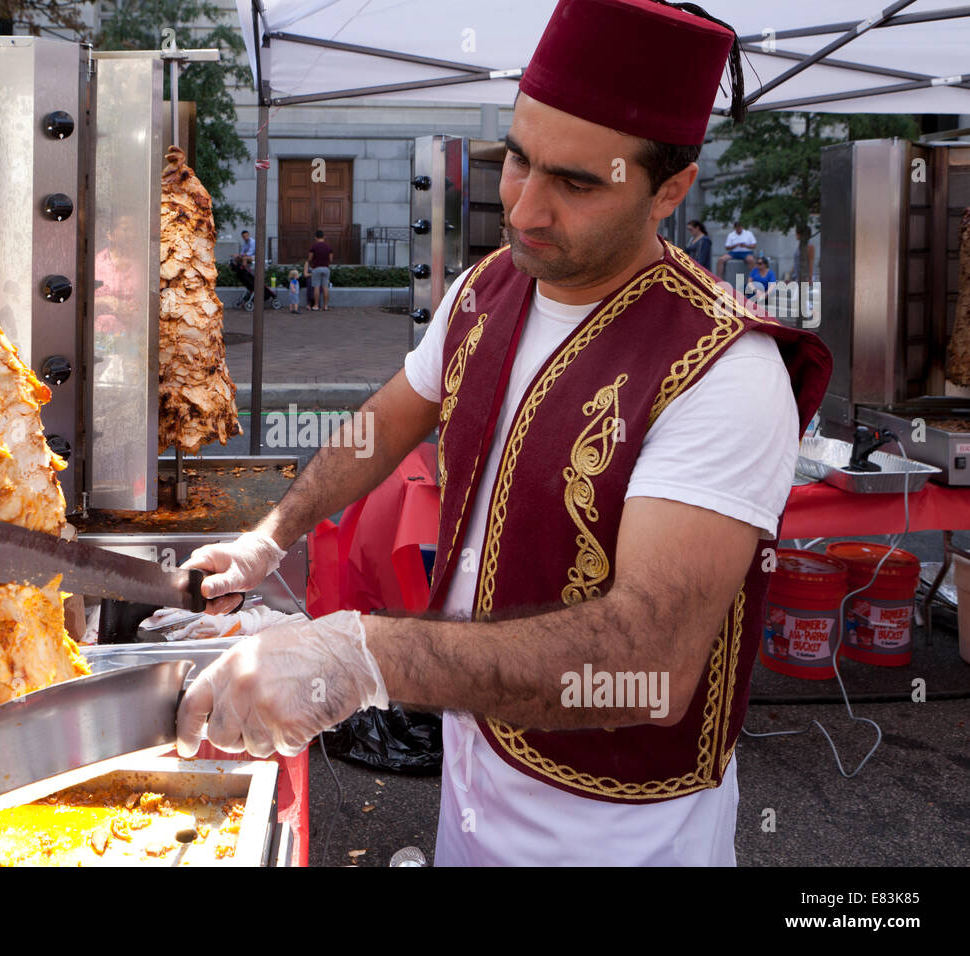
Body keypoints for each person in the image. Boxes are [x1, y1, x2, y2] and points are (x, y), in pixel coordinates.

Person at [176, 0, 831, 867]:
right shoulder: (490, 287)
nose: (523, 210)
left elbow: (649, 662)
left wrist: (363, 656)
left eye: (578, 182)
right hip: (472, 774)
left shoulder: (725, 370)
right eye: (518, 160)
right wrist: (271, 534)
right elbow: (389, 422)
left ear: (671, 189)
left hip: (619, 830)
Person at [307, 230, 334, 311]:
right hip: (326, 268)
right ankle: (325, 306)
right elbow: (331, 260)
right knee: (325, 287)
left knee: (316, 287)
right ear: (324, 237)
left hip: (316, 268)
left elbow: (310, 258)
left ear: (315, 237)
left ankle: (316, 306)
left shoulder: (313, 247)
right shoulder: (329, 247)